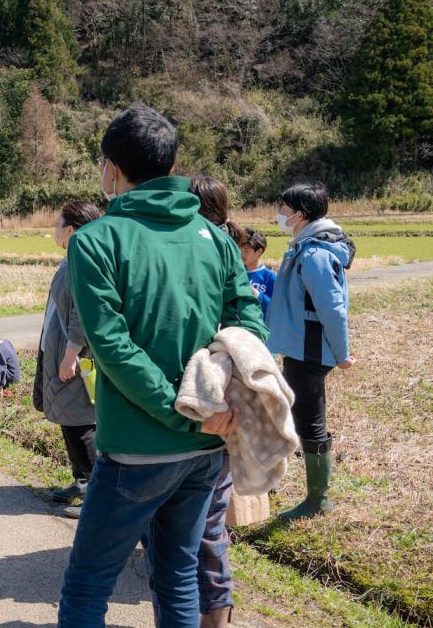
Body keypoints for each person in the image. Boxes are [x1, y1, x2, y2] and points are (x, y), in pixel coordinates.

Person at [58, 103, 268, 628]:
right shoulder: (214, 237)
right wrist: (214, 406)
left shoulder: (95, 240)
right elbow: (250, 329)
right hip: (206, 448)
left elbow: (112, 348)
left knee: (87, 584)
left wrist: (182, 413)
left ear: (111, 167)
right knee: (176, 574)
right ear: (171, 165)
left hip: (137, 448)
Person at [267, 182, 355, 520]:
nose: (280, 215)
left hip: (310, 351)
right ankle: (314, 494)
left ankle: (318, 499)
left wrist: (343, 354)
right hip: (301, 347)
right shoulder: (305, 246)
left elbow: (333, 309)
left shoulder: (314, 254)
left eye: (284, 209)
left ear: (300, 215)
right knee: (303, 415)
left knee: (310, 422)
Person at [187, 174, 248, 627]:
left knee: (204, 523)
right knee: (209, 520)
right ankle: (215, 611)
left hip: (208, 397)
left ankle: (212, 613)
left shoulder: (207, 249)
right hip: (227, 397)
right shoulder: (226, 245)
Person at [32, 200, 101, 521]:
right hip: (59, 351)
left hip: (74, 356)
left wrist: (71, 354)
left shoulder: (82, 262)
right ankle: (81, 481)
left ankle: (93, 495)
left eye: (57, 224)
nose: (54, 230)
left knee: (81, 425)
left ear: (71, 230)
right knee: (69, 420)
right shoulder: (72, 259)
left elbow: (82, 313)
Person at [241, 229, 275, 320]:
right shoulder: (237, 273)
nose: (241, 254)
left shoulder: (270, 277)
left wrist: (256, 293)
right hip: (238, 327)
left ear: (259, 251)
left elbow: (275, 307)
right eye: (240, 250)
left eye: (246, 251)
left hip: (259, 328)